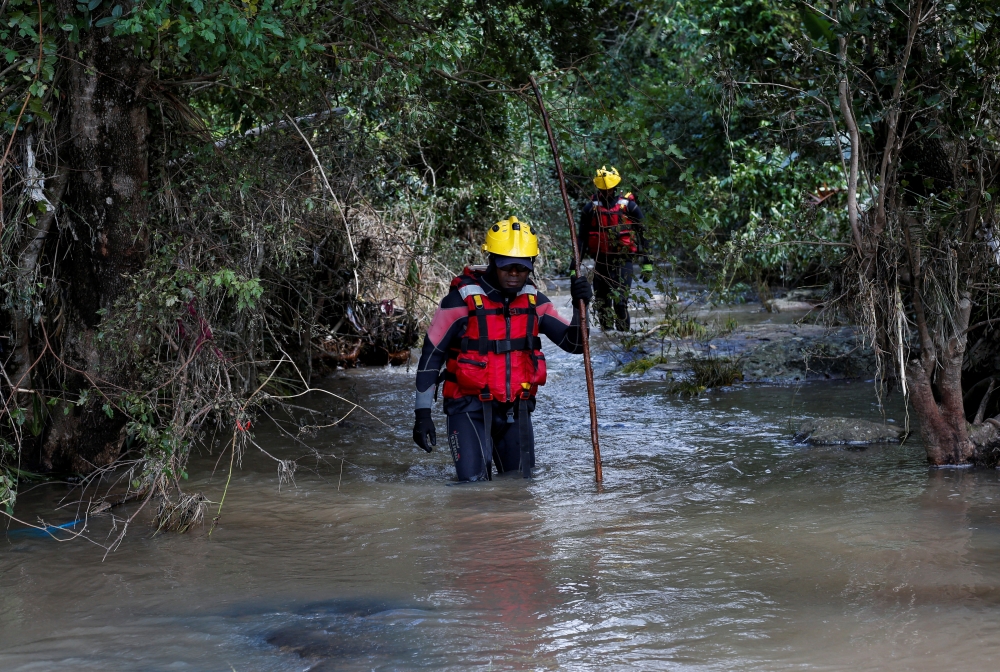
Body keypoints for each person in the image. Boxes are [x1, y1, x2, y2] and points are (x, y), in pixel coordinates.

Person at [412, 216, 594, 481]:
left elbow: (575, 344)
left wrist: (582, 307)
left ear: (531, 266)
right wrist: (422, 415)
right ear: (492, 261)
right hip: (468, 409)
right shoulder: (457, 304)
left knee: (520, 489)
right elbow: (431, 358)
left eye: (521, 269)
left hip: (515, 411)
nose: (514, 275)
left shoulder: (536, 303)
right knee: (472, 488)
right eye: (507, 267)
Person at [572, 166, 651, 331]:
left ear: (615, 188)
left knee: (620, 304)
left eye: (609, 189)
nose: (606, 192)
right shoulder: (590, 209)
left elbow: (644, 233)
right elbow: (581, 239)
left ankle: (624, 341)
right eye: (603, 189)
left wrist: (647, 262)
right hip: (601, 263)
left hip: (623, 262)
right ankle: (606, 342)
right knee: (602, 306)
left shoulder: (629, 207)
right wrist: (574, 266)